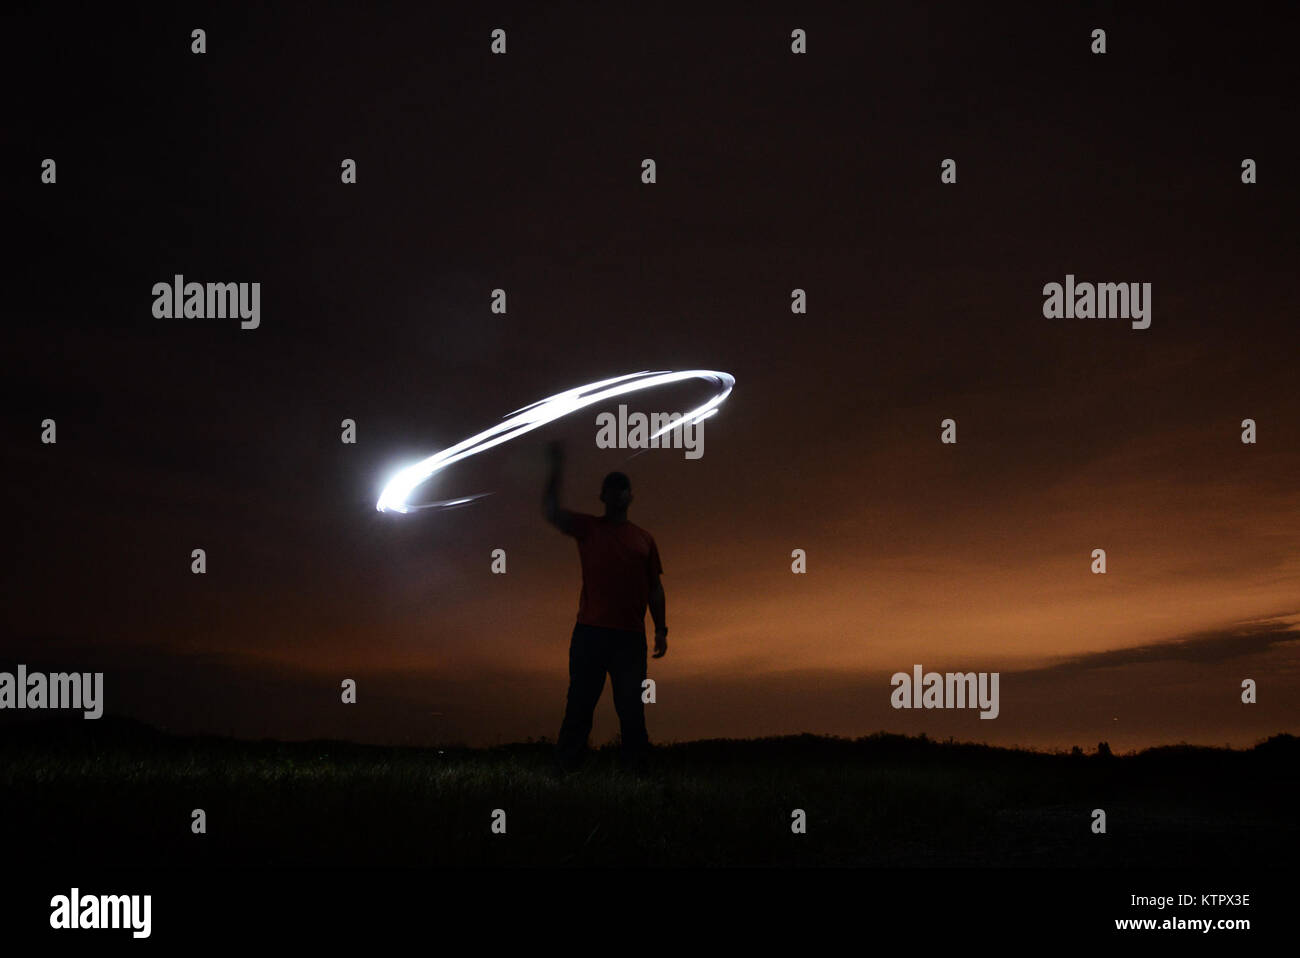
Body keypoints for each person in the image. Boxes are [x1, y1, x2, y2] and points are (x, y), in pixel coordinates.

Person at [543, 440, 667, 772]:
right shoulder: (589, 528)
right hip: (591, 634)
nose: (617, 493)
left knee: (631, 709)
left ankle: (636, 774)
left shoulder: (644, 539)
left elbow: (655, 588)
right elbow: (552, 513)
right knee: (579, 706)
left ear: (630, 496)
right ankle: (565, 771)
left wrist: (661, 629)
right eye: (611, 489)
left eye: (622, 488)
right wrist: (555, 468)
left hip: (629, 638)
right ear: (603, 496)